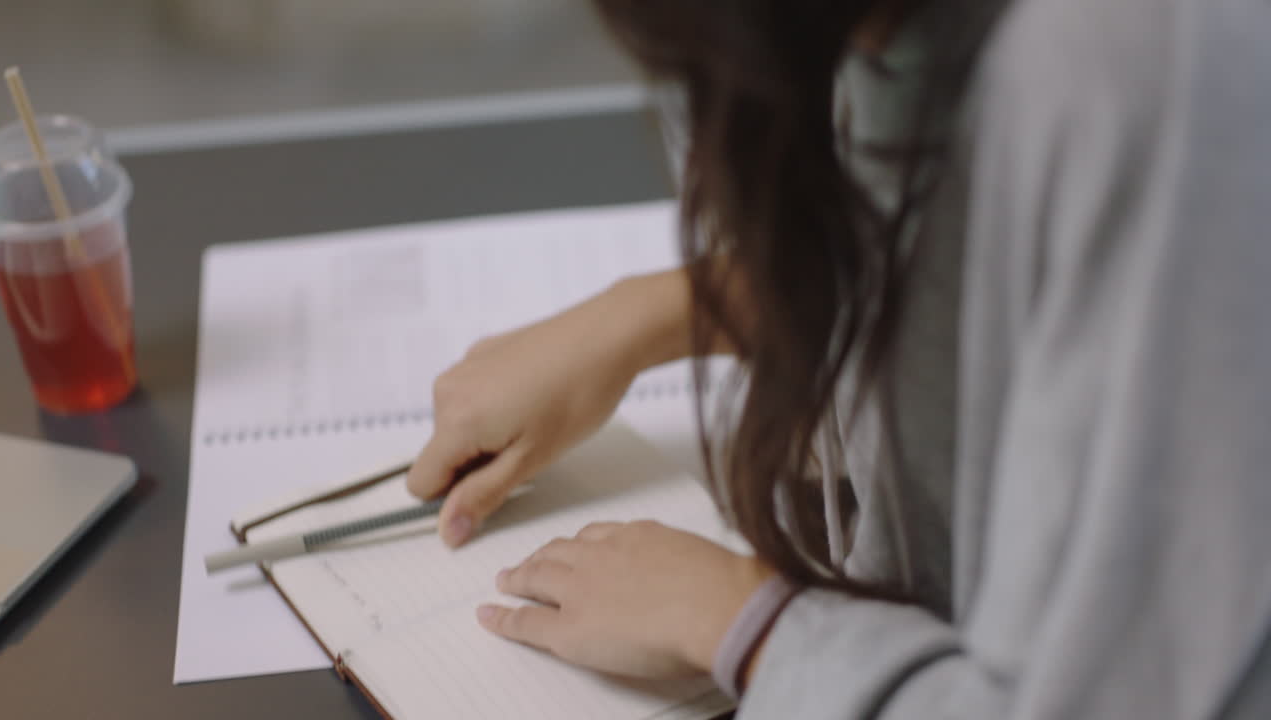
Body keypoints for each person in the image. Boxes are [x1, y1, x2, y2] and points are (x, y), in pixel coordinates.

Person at [405, 0, 1271, 716]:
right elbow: (962, 274)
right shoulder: (868, 37)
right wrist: (658, 312)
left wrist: (741, 623)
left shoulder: (1131, 65)